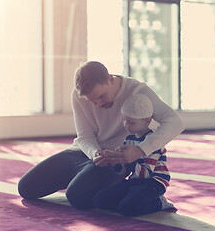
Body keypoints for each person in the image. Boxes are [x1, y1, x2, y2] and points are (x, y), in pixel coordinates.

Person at [18, 61, 184, 211]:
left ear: (110, 79)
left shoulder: (137, 90)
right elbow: (84, 136)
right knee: (26, 188)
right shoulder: (78, 95)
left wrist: (140, 150)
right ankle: (87, 177)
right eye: (92, 101)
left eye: (101, 96)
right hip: (86, 153)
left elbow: (174, 122)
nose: (98, 104)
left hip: (117, 159)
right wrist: (95, 154)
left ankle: (142, 194)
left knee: (77, 198)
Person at [93, 94, 176, 217]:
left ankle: (160, 202)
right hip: (136, 181)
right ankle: (131, 199)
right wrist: (114, 162)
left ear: (147, 121)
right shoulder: (129, 139)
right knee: (101, 200)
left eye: (131, 122)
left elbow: (146, 173)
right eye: (124, 120)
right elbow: (125, 172)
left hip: (153, 183)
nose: (126, 125)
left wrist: (126, 160)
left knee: (127, 208)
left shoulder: (153, 142)